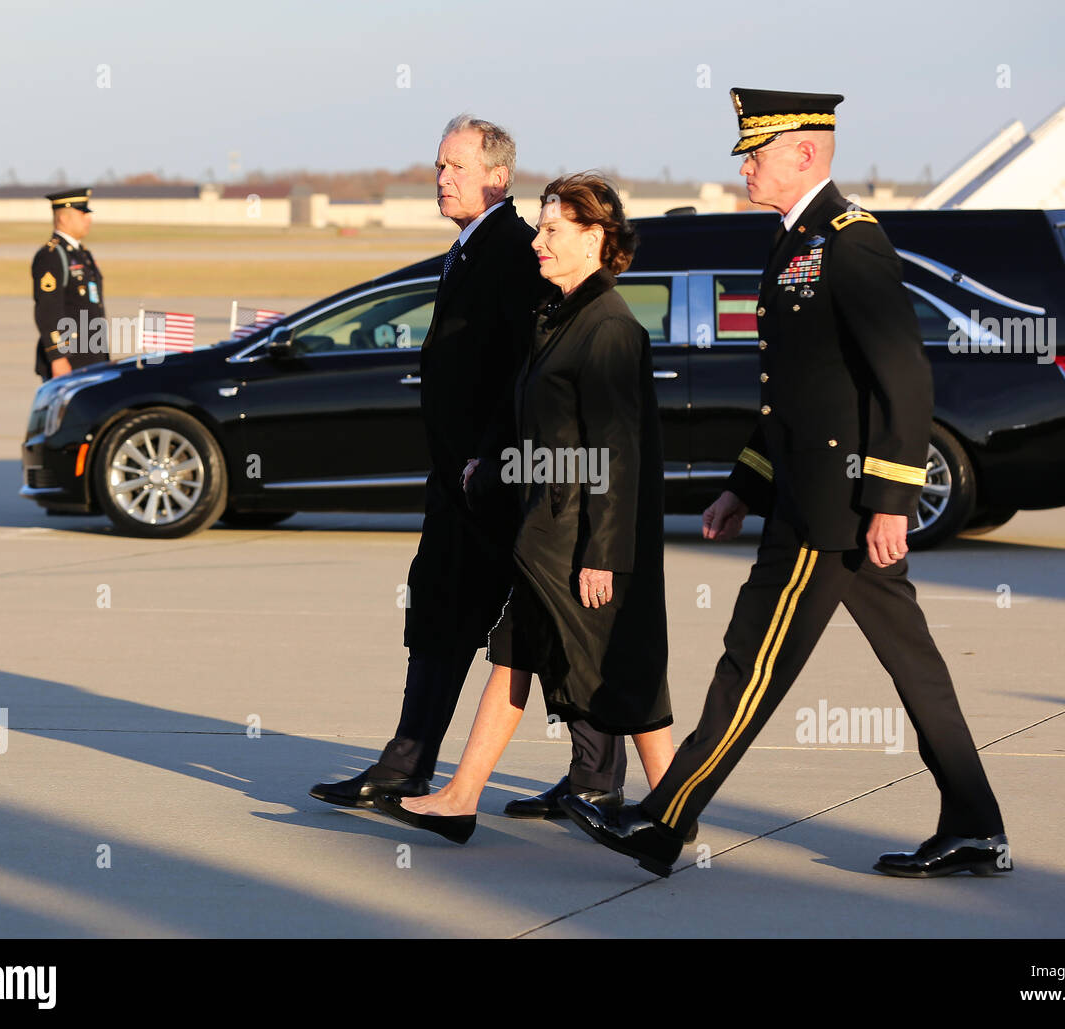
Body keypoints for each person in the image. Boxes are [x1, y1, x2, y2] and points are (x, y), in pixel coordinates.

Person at [564, 89, 1009, 879]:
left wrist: (890, 500)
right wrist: (744, 484)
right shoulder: (794, 241)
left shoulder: (849, 240)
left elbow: (902, 375)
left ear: (804, 153)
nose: (745, 167)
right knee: (916, 666)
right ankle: (975, 824)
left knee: (751, 663)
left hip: (831, 511)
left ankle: (666, 820)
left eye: (757, 152)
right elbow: (795, 393)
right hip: (806, 493)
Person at [309, 120, 629, 818]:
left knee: (542, 628)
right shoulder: (469, 250)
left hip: (497, 485)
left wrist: (487, 458)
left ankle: (597, 775)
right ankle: (409, 763)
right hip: (461, 481)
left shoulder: (513, 252)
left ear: (497, 176)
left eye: (454, 165)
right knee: (444, 612)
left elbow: (526, 372)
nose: (441, 176)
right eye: (438, 164)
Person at [372, 174, 674, 844]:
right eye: (539, 228)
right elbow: (525, 406)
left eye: (552, 231)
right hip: (545, 532)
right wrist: (489, 456)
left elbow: (618, 453)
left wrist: (603, 554)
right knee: (512, 655)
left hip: (577, 540)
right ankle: (459, 797)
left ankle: (676, 807)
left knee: (626, 677)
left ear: (596, 239)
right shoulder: (558, 316)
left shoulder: (609, 328)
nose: (537, 242)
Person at [32, 188, 109, 380]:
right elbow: (47, 310)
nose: (88, 219)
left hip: (91, 357)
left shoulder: (82, 254)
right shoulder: (51, 256)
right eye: (82, 214)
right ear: (64, 219)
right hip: (70, 361)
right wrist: (57, 357)